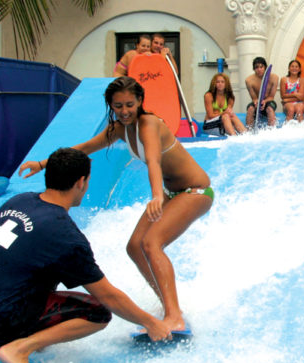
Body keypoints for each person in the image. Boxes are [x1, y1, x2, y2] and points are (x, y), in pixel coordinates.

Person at [19, 77, 213, 335]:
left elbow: (154, 161)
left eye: (129, 104)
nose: (124, 111)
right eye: (118, 105)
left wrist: (156, 196)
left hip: (195, 191)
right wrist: (43, 164)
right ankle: (168, 304)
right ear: (111, 105)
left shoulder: (149, 125)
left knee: (151, 243)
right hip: (170, 192)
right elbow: (85, 148)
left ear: (140, 102)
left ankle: (174, 316)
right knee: (134, 247)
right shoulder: (120, 128)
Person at [0, 148, 171, 363]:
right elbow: (109, 297)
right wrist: (151, 323)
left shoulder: (19, 201)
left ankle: (28, 340)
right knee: (98, 312)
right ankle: (20, 348)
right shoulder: (64, 234)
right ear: (81, 182)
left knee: (41, 271)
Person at [245, 56, 279, 128]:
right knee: (250, 109)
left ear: (265, 67)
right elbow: (254, 98)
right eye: (257, 67)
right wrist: (256, 102)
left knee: (269, 109)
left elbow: (271, 97)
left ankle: (272, 131)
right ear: (254, 69)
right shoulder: (249, 80)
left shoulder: (274, 78)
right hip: (257, 102)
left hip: (269, 101)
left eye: (261, 67)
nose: (259, 69)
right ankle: (248, 132)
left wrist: (265, 101)